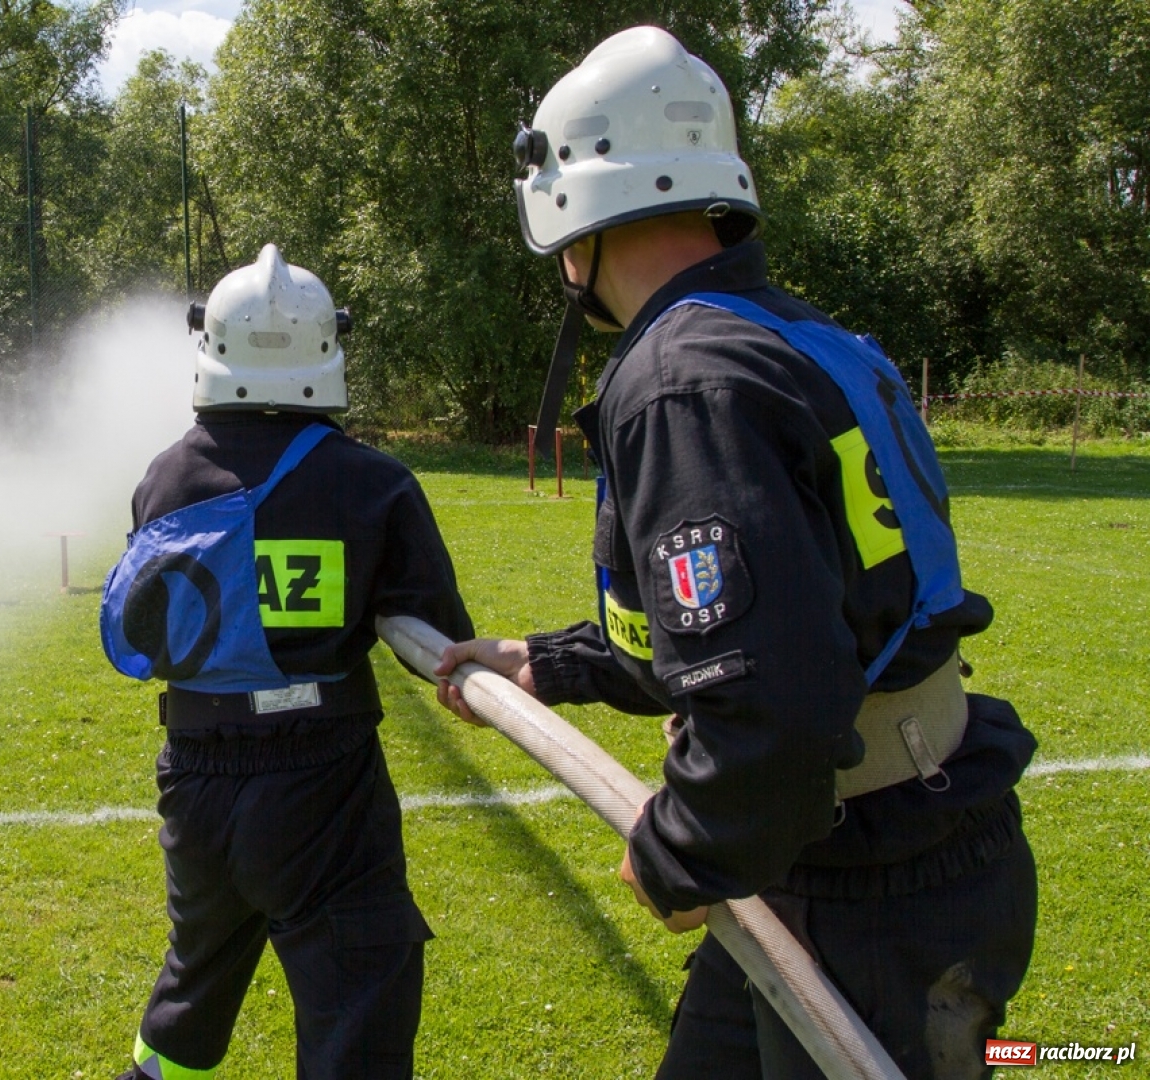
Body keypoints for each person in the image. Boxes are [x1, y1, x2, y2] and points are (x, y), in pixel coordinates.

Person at [435, 26, 1037, 1079]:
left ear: (570, 216)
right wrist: (550, 662)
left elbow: (772, 702)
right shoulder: (793, 335)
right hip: (886, 849)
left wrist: (679, 851)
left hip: (859, 892)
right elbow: (763, 616)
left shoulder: (682, 380)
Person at [101, 244, 474, 1080]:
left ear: (210, 344)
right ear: (330, 348)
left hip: (194, 774)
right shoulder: (373, 484)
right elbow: (440, 638)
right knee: (360, 992)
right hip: (323, 779)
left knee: (194, 985)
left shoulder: (165, 477)